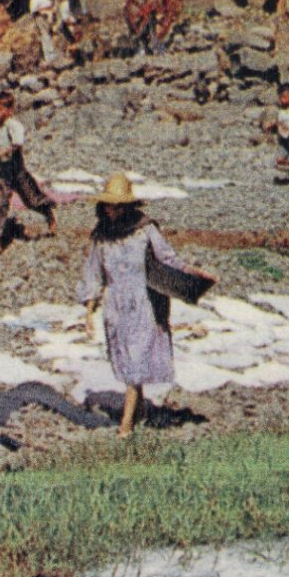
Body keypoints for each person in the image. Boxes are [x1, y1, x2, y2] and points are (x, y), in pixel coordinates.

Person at [78, 173, 191, 437]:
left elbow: (167, 259)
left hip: (145, 303)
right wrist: (89, 310)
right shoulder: (102, 236)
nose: (112, 210)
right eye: (108, 205)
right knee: (127, 361)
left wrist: (190, 278)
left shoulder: (146, 231)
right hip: (116, 307)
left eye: (118, 206)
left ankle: (125, 426)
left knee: (137, 359)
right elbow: (93, 273)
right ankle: (138, 411)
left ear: (129, 206)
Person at [0, 90, 57, 257]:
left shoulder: (14, 125)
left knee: (31, 199)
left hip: (16, 170)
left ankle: (48, 213)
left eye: (0, 110)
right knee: (0, 204)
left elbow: (16, 145)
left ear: (9, 110)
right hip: (2, 172)